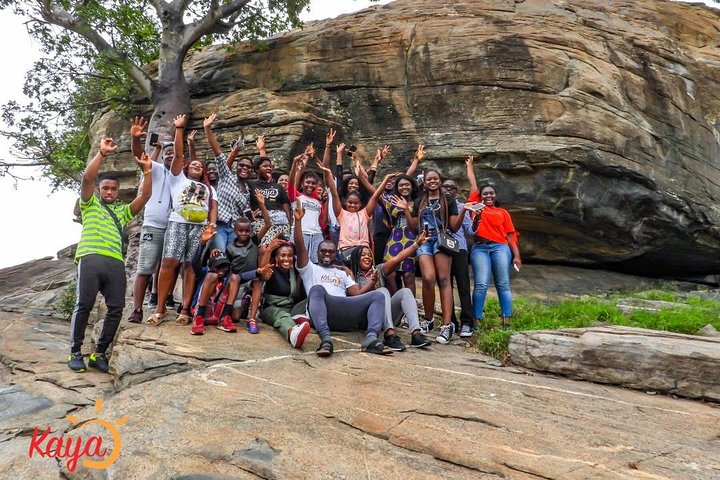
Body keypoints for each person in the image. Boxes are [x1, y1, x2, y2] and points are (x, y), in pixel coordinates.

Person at [68, 136, 153, 373]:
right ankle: (75, 352)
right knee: (84, 304)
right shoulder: (89, 203)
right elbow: (87, 178)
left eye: (113, 189)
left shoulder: (122, 211)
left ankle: (98, 354)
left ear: (117, 192)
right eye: (105, 188)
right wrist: (102, 153)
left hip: (115, 261)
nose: (109, 191)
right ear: (100, 189)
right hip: (90, 256)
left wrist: (147, 172)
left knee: (116, 308)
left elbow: (145, 197)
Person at [293, 199, 392, 357]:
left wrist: (372, 282)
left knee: (378, 295)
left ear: (335, 254)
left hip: (345, 310)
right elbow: (299, 246)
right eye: (323, 251)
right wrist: (298, 221)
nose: (327, 254)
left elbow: (356, 295)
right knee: (317, 289)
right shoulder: (310, 268)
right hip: (325, 310)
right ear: (317, 253)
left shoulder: (342, 272)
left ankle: (371, 339)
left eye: (331, 251)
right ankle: (326, 340)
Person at [147, 114, 218, 326]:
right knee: (169, 261)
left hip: (199, 227)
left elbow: (213, 206)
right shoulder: (178, 178)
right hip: (178, 222)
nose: (197, 165)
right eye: (193, 163)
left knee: (190, 265)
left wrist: (211, 225)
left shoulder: (209, 188)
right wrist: (179, 129)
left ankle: (185, 309)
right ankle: (160, 309)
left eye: (200, 165)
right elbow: (178, 155)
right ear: (186, 168)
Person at [401, 166, 465, 344]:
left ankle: (447, 325)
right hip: (424, 240)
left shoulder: (448, 200)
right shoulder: (420, 200)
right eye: (429, 179)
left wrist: (464, 211)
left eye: (435, 178)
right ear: (424, 182)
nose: (432, 181)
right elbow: (414, 227)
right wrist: (406, 209)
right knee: (428, 278)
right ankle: (428, 320)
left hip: (442, 240)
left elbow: (453, 227)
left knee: (444, 280)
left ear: (440, 180)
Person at [465, 156, 522, 329]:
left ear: (495, 196)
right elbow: (473, 184)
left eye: (491, 193)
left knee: (503, 283)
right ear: (480, 197)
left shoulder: (502, 212)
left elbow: (511, 235)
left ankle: (506, 321)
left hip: (500, 247)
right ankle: (476, 321)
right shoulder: (475, 205)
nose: (488, 195)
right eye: (485, 193)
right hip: (480, 247)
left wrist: (517, 256)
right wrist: (470, 166)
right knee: (481, 284)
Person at [348, 235, 433, 350]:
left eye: (369, 255)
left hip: (387, 317)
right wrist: (371, 283)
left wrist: (417, 244)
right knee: (382, 291)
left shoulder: (378, 270)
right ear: (356, 258)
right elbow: (356, 297)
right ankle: (389, 336)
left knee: (406, 292)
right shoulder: (352, 276)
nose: (367, 257)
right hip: (367, 319)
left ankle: (416, 334)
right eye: (363, 255)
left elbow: (397, 259)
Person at [127, 117, 174, 324]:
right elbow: (140, 156)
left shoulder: (183, 175)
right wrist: (135, 139)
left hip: (174, 227)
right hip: (153, 225)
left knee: (170, 267)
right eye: (168, 153)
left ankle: (162, 304)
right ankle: (137, 309)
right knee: (145, 267)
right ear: (163, 157)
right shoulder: (155, 169)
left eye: (175, 153)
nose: (171, 156)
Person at [189, 227, 272, 335]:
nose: (221, 271)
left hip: (217, 313)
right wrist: (202, 243)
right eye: (218, 267)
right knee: (212, 277)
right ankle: (198, 318)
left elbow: (242, 277)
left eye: (224, 267)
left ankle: (225, 317)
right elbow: (195, 263)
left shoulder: (226, 277)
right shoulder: (205, 273)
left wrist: (258, 272)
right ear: (212, 267)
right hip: (202, 310)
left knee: (235, 277)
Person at [319, 159, 398, 264]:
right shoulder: (341, 213)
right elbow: (334, 194)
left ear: (360, 204)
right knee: (348, 273)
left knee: (363, 275)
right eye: (350, 202)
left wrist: (386, 180)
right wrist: (329, 173)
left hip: (363, 249)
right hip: (346, 249)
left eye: (356, 203)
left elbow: (375, 197)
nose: (352, 205)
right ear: (346, 203)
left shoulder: (364, 213)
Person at [203, 113, 251, 254]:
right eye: (241, 165)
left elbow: (245, 213)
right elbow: (218, 153)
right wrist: (207, 129)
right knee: (219, 255)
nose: (244, 168)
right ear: (237, 167)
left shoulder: (248, 191)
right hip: (219, 225)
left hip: (235, 228)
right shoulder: (226, 176)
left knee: (232, 257)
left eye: (248, 167)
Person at [252, 237, 312, 349]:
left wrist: (339, 267)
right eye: (283, 255)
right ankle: (292, 334)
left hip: (292, 308)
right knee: (282, 317)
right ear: (276, 258)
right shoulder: (271, 270)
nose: (286, 259)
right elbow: (262, 273)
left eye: (289, 256)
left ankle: (298, 318)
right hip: (272, 309)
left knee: (313, 298)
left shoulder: (294, 272)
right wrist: (269, 250)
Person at [226, 190, 272, 332]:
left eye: (247, 231)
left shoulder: (253, 241)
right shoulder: (230, 247)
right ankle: (244, 302)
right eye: (241, 231)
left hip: (253, 279)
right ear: (235, 231)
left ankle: (252, 318)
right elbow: (230, 274)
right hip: (238, 283)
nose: (244, 234)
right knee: (235, 318)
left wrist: (262, 205)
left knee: (258, 281)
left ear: (251, 231)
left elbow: (268, 224)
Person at [441, 176, 475, 337]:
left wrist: (478, 220)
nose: (447, 189)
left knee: (463, 285)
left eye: (451, 188)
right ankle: (451, 322)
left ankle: (467, 322)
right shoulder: (437, 205)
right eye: (445, 187)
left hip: (459, 248)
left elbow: (469, 231)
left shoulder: (463, 206)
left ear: (456, 192)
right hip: (441, 248)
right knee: (445, 285)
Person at [249, 136, 292, 245]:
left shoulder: (278, 186)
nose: (269, 168)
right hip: (262, 221)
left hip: (281, 222)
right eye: (265, 166)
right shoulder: (251, 184)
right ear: (257, 169)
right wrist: (261, 150)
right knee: (264, 248)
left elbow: (285, 206)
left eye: (270, 166)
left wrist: (289, 222)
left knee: (281, 248)